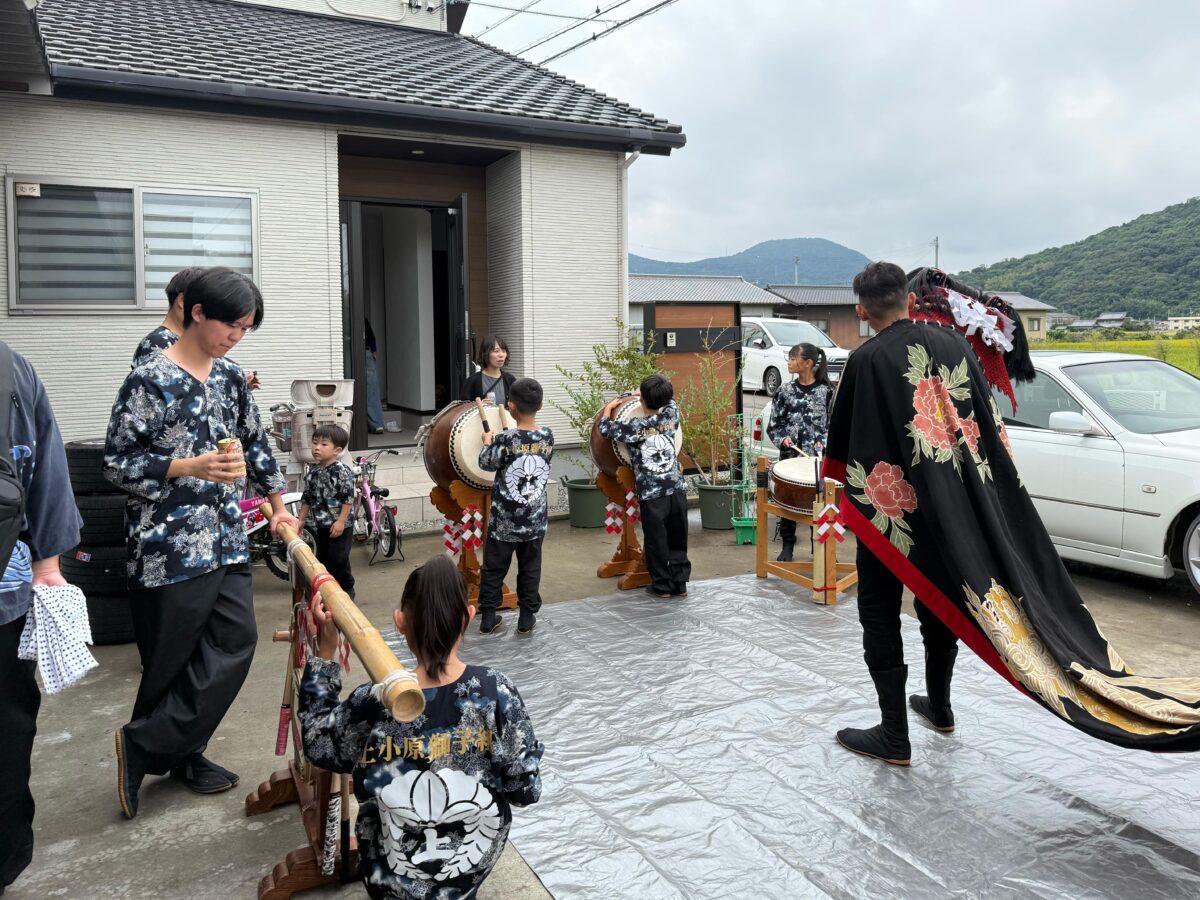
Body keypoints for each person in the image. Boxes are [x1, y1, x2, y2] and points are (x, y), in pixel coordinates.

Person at [824, 261, 1200, 761]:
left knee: (878, 611)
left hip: (894, 512)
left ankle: (894, 734)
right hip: (958, 507)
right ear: (910, 301)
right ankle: (939, 706)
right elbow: (990, 431)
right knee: (940, 600)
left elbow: (848, 448)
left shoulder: (866, 360)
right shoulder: (954, 344)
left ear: (861, 310)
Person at [105, 267, 299, 817]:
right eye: (231, 325)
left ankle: (144, 745)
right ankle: (182, 754)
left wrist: (279, 507)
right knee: (170, 663)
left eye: (246, 329)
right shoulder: (149, 377)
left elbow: (256, 444)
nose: (236, 336)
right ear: (196, 313)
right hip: (167, 547)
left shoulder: (231, 377)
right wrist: (186, 466)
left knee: (235, 644)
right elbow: (117, 462)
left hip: (227, 538)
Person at [299, 555, 543, 900]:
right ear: (469, 618)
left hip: (389, 876)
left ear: (400, 621)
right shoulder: (496, 692)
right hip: (467, 876)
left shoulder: (373, 700)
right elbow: (524, 791)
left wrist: (325, 649)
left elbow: (317, 743)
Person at [0, 342, 81, 894]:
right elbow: (46, 468)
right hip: (5, 590)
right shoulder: (11, 366)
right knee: (6, 724)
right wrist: (48, 560)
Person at [599, 374, 691, 598]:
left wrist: (608, 409)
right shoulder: (670, 416)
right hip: (677, 489)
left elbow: (605, 428)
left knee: (656, 540)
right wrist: (647, 393)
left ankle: (662, 586)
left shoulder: (634, 426)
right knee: (678, 537)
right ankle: (680, 584)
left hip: (652, 494)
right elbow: (670, 401)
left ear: (642, 401)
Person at [476, 378, 554, 636]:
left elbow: (487, 464)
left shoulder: (505, 438)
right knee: (530, 567)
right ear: (540, 405)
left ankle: (488, 617)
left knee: (494, 568)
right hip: (534, 519)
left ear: (510, 405)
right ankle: (526, 617)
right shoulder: (547, 436)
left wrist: (487, 442)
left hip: (504, 521)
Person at [132, 266, 261, 389]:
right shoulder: (157, 343)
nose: (236, 337)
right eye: (231, 324)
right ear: (184, 301)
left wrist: (236, 387)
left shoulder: (225, 364)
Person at [766, 343, 834, 561]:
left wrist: (826, 444)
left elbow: (834, 427)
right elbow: (774, 425)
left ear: (808, 363)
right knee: (788, 504)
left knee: (822, 505)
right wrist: (782, 439)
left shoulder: (827, 392)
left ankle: (822, 549)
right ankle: (787, 545)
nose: (789, 362)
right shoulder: (784, 391)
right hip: (791, 460)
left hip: (817, 462)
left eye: (793, 358)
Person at [298, 423, 356, 599]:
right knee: (323, 559)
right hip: (320, 525)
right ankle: (328, 591)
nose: (317, 448)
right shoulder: (313, 472)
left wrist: (340, 521)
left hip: (340, 525)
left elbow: (348, 497)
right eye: (315, 443)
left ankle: (346, 589)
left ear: (336, 450)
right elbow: (307, 497)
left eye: (324, 444)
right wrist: (300, 520)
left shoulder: (341, 471)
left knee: (339, 559)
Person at [464, 335, 516, 406]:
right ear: (486, 353)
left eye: (503, 351)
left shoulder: (510, 379)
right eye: (496, 351)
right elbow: (461, 408)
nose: (501, 355)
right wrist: (477, 405)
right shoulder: (473, 380)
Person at [364, 318, 385, 434]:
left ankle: (376, 424)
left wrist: (374, 349)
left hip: (366, 351)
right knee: (371, 389)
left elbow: (370, 335)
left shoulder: (362, 319)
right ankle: (375, 424)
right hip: (362, 351)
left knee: (371, 389)